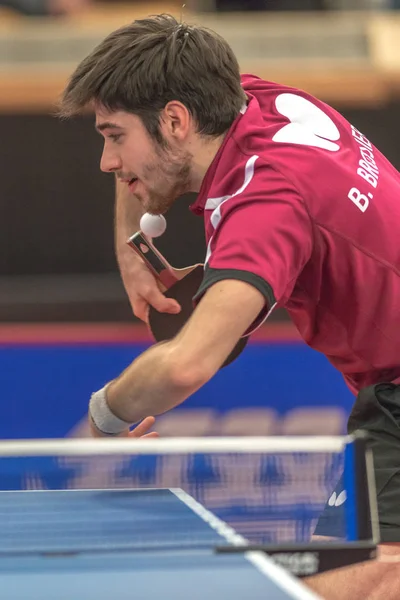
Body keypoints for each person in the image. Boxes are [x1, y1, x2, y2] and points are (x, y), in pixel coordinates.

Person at [59, 14, 400, 599]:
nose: (108, 163)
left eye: (114, 137)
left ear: (174, 121)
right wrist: (128, 241)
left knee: (349, 585)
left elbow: (186, 363)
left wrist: (101, 421)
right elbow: (155, 119)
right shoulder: (254, 100)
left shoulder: (266, 204)